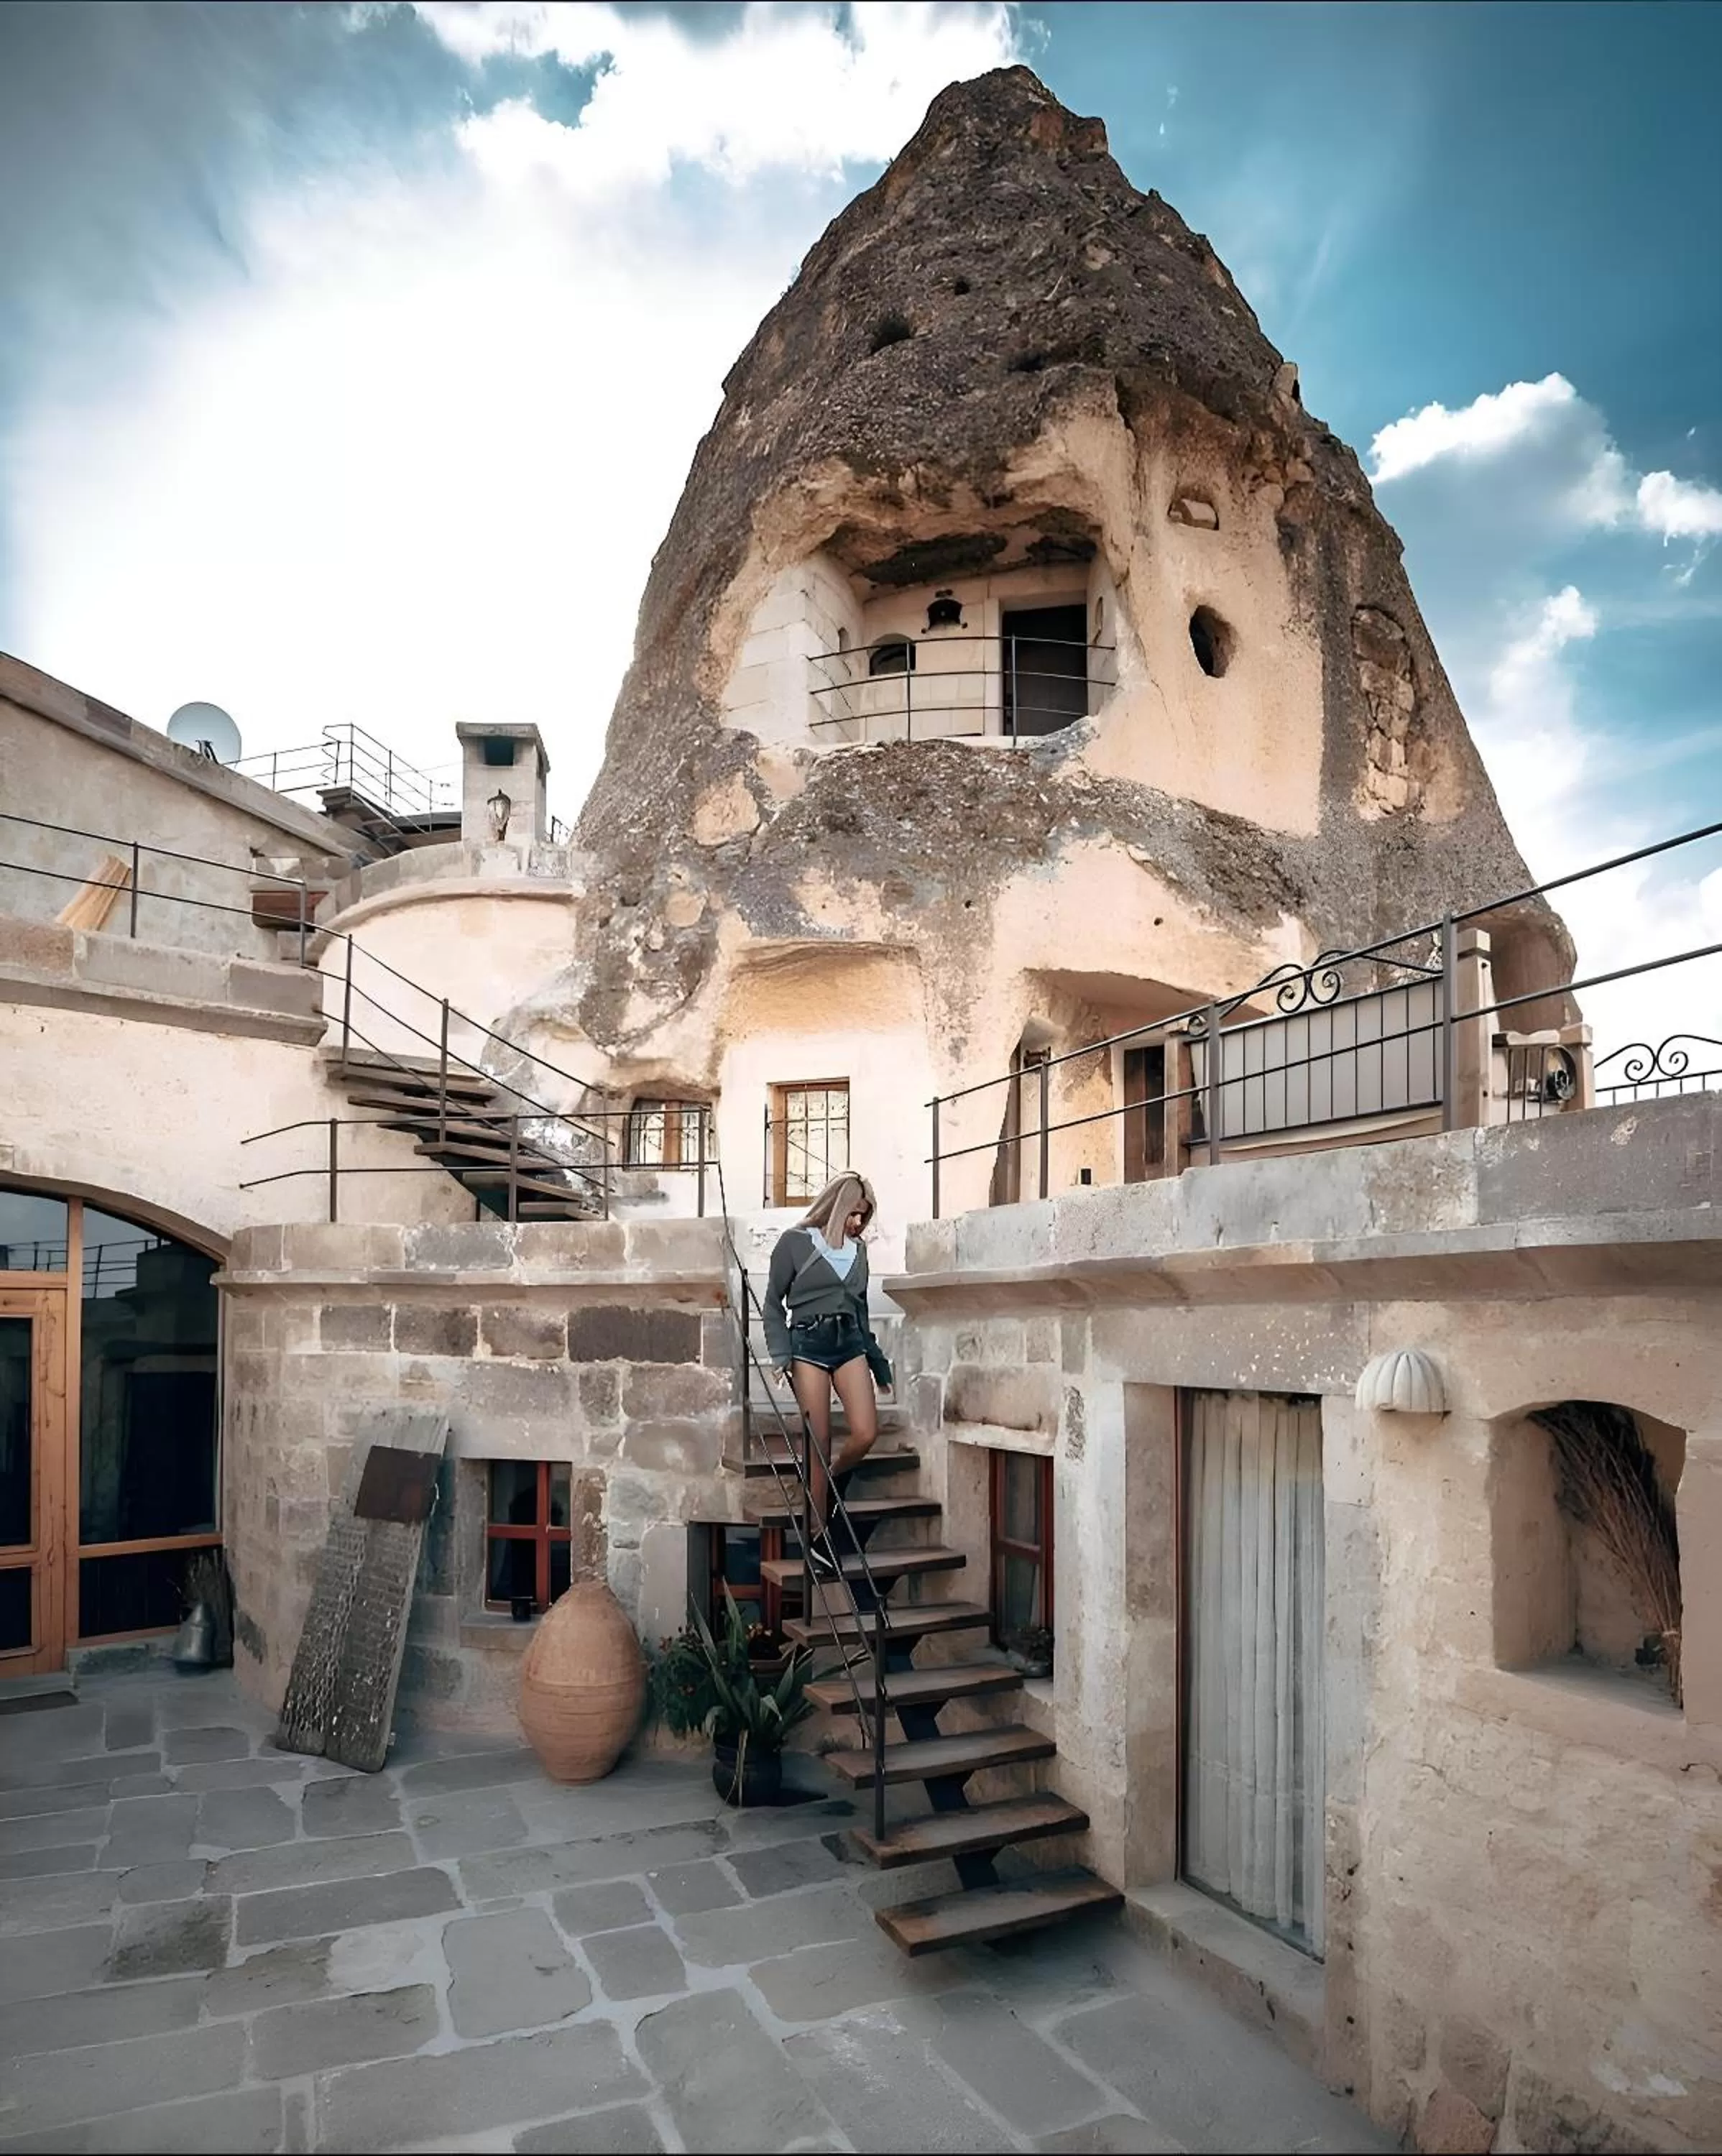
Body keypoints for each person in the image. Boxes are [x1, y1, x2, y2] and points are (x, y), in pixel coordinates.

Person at [760, 1171, 893, 1575]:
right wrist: (781, 1355)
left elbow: (862, 1311)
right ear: (837, 1207)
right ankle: (818, 1537)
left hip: (849, 1343)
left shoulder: (859, 1251)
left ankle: (831, 1479)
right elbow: (771, 1303)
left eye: (863, 1216)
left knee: (866, 1432)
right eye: (854, 1213)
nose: (858, 1223)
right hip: (808, 1346)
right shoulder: (795, 1244)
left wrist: (878, 1363)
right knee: (818, 1440)